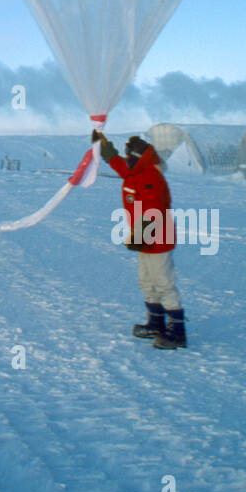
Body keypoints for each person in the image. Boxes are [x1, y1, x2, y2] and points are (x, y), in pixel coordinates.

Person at [93, 131, 186, 349]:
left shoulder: (150, 176)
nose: (126, 159)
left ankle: (178, 332)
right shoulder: (135, 171)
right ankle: (156, 324)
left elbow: (154, 209)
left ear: (137, 157)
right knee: (146, 280)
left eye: (129, 155)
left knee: (163, 282)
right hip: (144, 238)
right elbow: (119, 165)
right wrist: (104, 146)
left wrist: (140, 236)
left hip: (157, 239)